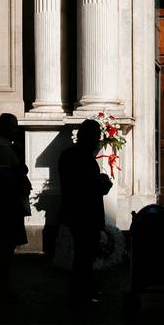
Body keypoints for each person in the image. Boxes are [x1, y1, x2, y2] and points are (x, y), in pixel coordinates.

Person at [58, 119, 113, 307]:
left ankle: (80, 291)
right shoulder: (85, 159)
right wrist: (104, 184)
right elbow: (89, 189)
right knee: (85, 256)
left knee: (82, 255)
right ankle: (81, 293)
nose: (98, 140)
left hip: (73, 213)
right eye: (96, 136)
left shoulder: (67, 155)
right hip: (86, 215)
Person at [0, 112, 32, 302]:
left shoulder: (0, 146)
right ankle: (1, 288)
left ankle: (2, 286)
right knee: (5, 246)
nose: (16, 130)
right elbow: (4, 177)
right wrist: (21, 174)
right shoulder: (2, 147)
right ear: (4, 127)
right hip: (7, 204)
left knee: (4, 245)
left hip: (5, 203)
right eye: (13, 126)